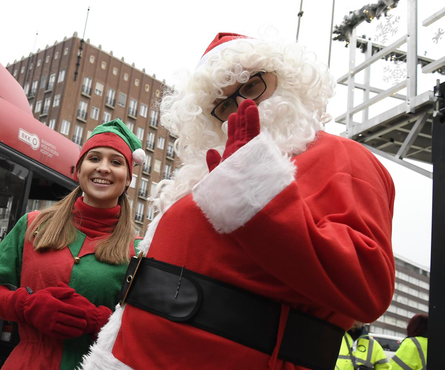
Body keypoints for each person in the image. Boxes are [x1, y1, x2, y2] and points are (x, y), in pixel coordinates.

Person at [80, 33, 395, 370]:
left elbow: (366, 284)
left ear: (287, 79)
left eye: (251, 86)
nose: (241, 107)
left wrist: (253, 187)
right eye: (224, 105)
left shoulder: (341, 156)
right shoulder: (206, 172)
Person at [0, 119, 145, 370]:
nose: (103, 168)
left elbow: (143, 331)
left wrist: (99, 321)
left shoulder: (139, 251)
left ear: (128, 179)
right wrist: (27, 306)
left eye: (116, 162)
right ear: (79, 169)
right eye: (94, 158)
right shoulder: (32, 224)